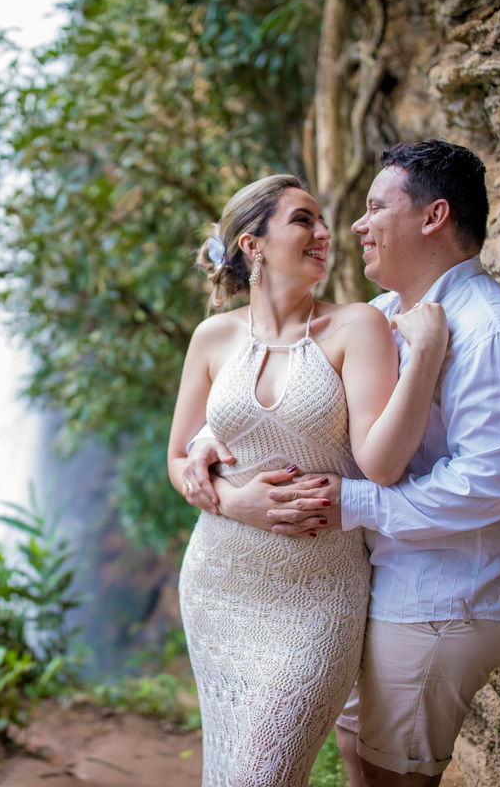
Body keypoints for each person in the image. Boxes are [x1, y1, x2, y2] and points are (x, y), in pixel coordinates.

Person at [183, 140, 500, 786]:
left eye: (375, 208)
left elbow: (493, 482)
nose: (351, 227)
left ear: (433, 217)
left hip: (448, 593)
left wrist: (351, 503)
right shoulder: (382, 316)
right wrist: (205, 444)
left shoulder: (491, 329)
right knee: (357, 759)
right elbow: (298, 404)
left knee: (385, 778)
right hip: (382, 581)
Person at [166, 173, 449, 786]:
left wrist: (423, 359)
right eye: (303, 220)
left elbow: (381, 463)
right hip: (219, 584)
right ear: (252, 244)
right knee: (231, 769)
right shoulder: (211, 338)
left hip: (318, 598)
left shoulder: (357, 327)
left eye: (322, 222)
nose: (326, 233)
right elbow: (177, 461)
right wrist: (235, 501)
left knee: (262, 773)